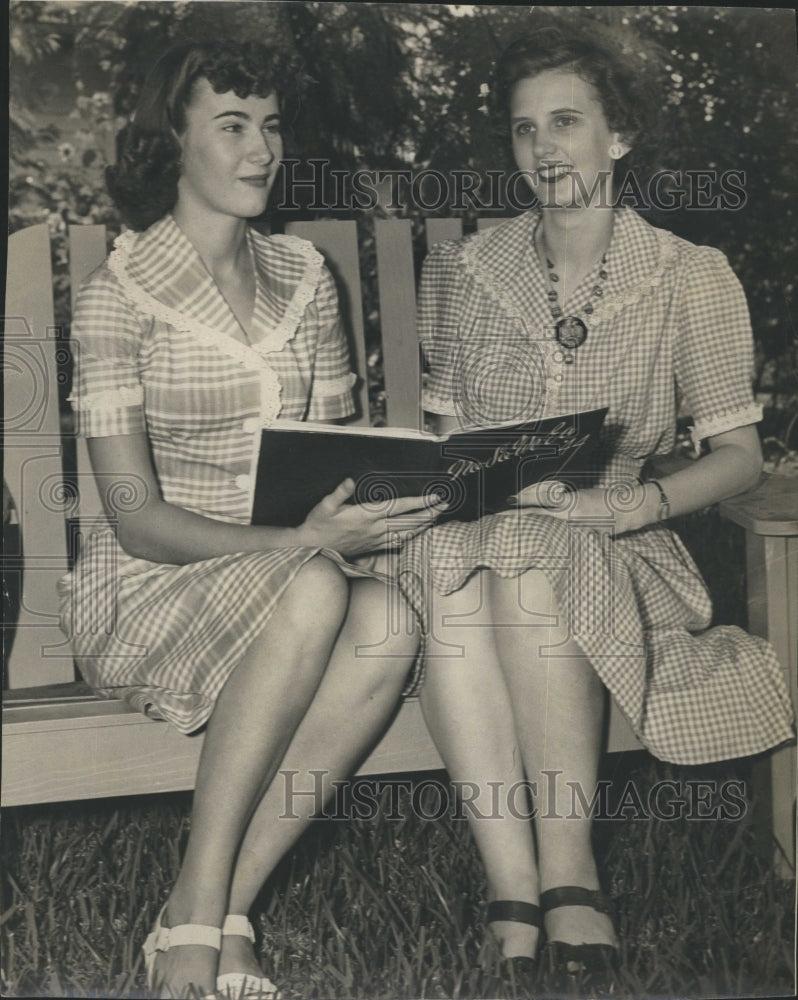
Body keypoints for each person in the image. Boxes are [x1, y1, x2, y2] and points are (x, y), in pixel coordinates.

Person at [397, 20, 795, 991]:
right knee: (459, 564)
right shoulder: (465, 270)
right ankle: (518, 882)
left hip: (620, 539)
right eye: (524, 129)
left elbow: (740, 457)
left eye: (566, 123)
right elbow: (446, 443)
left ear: (618, 136)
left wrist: (633, 508)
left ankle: (562, 870)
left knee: (531, 565)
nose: (542, 149)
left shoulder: (689, 276)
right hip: (475, 530)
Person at [59, 39, 440, 999]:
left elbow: (343, 455)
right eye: (232, 125)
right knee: (315, 586)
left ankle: (221, 908)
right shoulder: (119, 297)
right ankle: (194, 916)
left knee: (389, 621)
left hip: (290, 574)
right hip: (151, 586)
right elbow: (137, 519)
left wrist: (416, 487)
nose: (261, 148)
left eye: (270, 126)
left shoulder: (306, 277)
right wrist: (303, 545)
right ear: (171, 139)